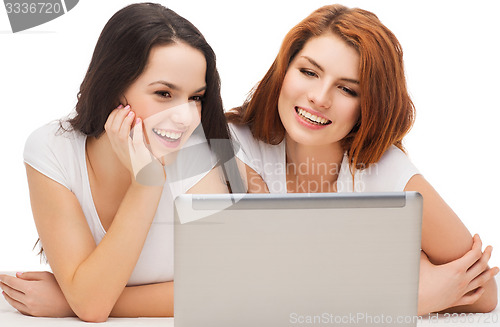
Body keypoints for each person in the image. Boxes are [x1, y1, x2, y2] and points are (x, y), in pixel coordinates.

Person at [227, 4, 498, 314]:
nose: (320, 97)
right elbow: (263, 280)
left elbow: (484, 291)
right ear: (283, 71)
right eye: (308, 72)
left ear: (370, 106)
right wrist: (402, 294)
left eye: (346, 89)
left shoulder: (383, 169)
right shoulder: (231, 146)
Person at [0, 2, 241, 322]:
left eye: (195, 97)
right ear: (115, 87)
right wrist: (148, 181)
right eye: (164, 93)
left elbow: (222, 288)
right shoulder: (53, 150)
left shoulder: (198, 155)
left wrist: (70, 299)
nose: (186, 118)